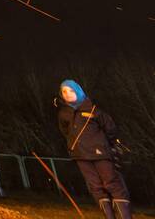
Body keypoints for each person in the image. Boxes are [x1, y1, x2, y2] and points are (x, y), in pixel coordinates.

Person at [57, 80, 131, 219]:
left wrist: (102, 144)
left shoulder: (93, 109)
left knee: (112, 184)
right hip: (80, 155)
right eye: (64, 92)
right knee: (95, 188)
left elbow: (110, 128)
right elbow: (65, 131)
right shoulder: (63, 113)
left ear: (78, 91)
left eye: (71, 90)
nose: (68, 94)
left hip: (100, 153)